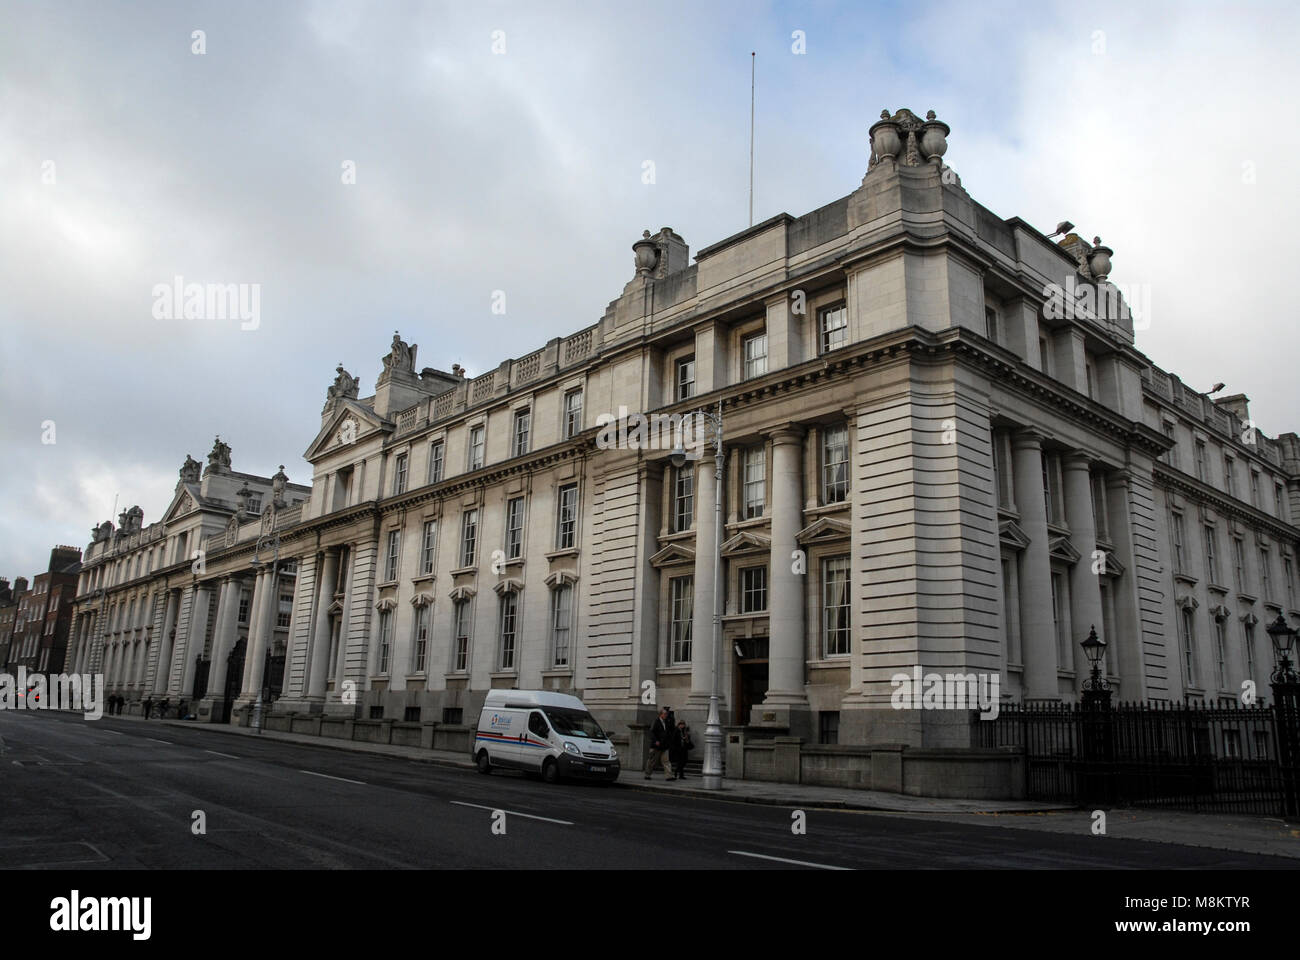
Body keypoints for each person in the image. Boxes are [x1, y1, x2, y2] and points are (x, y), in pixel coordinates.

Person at [644, 706, 676, 780]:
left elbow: (670, 731)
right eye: (664, 714)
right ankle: (647, 774)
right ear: (661, 714)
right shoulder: (656, 722)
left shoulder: (667, 721)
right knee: (652, 761)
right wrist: (656, 741)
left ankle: (669, 776)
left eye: (666, 714)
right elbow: (652, 733)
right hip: (656, 745)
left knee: (666, 761)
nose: (666, 715)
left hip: (665, 745)